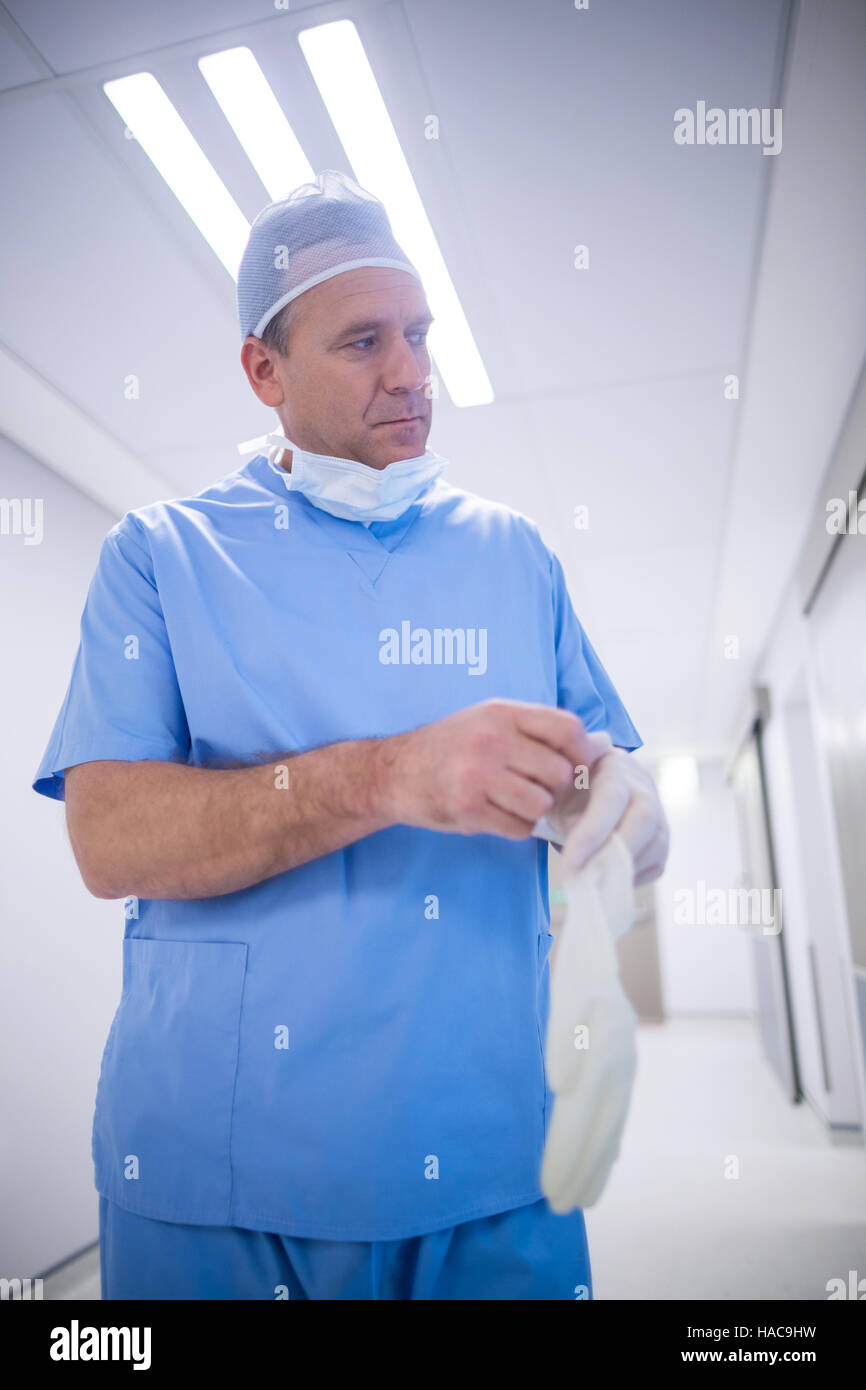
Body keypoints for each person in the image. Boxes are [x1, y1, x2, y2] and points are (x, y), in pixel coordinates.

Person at [33, 170, 669, 1301]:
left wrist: (620, 806)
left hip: (488, 1153)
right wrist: (390, 777)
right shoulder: (162, 559)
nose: (411, 373)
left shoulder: (512, 554)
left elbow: (598, 769)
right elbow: (109, 840)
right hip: (222, 1177)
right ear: (262, 369)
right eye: (364, 340)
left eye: (419, 335)